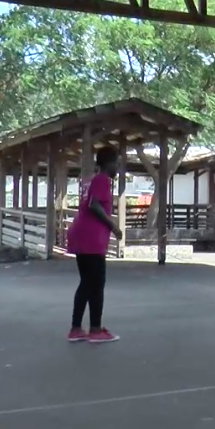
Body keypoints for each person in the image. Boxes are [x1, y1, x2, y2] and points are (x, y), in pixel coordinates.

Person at [65, 147, 123, 343]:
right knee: (97, 284)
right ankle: (96, 330)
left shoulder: (91, 180)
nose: (118, 167)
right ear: (109, 163)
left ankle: (76, 328)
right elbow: (94, 205)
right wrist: (113, 226)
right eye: (117, 163)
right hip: (91, 237)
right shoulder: (102, 180)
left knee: (87, 283)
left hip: (82, 234)